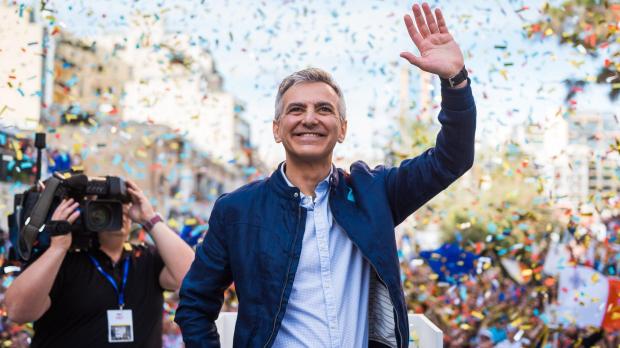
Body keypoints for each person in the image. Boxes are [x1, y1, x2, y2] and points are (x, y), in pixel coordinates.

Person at [175, 2, 475, 347]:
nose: (310, 118)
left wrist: (455, 80)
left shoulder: (374, 194)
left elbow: (452, 158)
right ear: (277, 129)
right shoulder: (237, 211)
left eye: (324, 109)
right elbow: (195, 305)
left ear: (342, 128)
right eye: (296, 109)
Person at [5, 179, 195, 347]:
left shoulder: (147, 259)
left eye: (123, 205)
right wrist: (57, 247)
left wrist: (150, 219)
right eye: (104, 206)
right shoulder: (62, 260)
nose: (116, 212)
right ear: (86, 212)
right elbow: (18, 311)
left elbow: (193, 275)